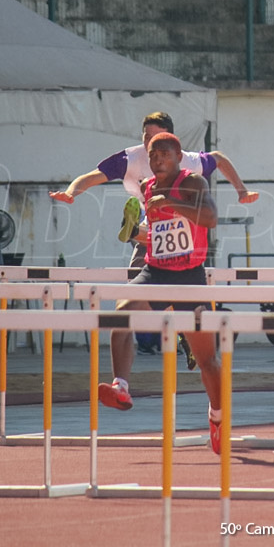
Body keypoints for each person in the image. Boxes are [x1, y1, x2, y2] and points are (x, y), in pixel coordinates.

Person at [49, 111, 258, 358]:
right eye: (147, 139)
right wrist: (73, 192)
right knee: (141, 284)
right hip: (156, 225)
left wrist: (241, 191)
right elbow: (94, 176)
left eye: (159, 141)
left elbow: (219, 159)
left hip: (187, 226)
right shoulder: (132, 158)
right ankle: (133, 233)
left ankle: (190, 331)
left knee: (182, 285)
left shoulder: (188, 161)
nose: (153, 148)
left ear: (172, 144)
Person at [95, 132, 225, 455]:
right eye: (153, 156)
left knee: (207, 360)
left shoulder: (193, 183)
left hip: (190, 278)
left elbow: (210, 218)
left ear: (178, 156)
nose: (157, 161)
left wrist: (171, 203)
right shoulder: (147, 188)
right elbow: (159, 237)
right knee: (120, 313)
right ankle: (120, 387)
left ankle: (218, 416)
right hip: (156, 271)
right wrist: (133, 233)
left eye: (164, 154)